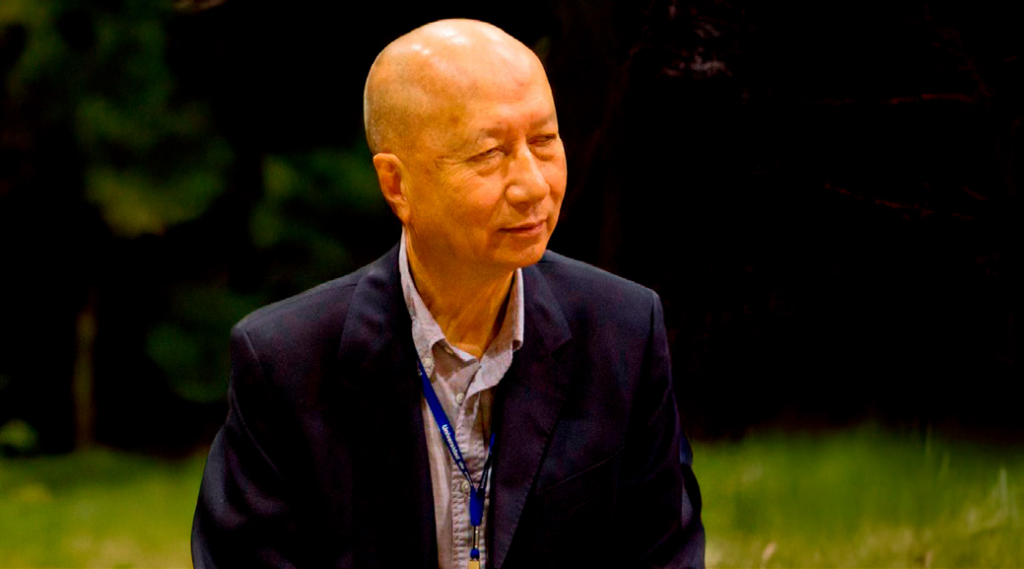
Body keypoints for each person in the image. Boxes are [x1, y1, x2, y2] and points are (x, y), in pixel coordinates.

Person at [192, 18, 704, 569]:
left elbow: (665, 553)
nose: (533, 185)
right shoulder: (287, 363)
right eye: (489, 153)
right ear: (397, 185)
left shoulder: (623, 329)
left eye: (544, 141)